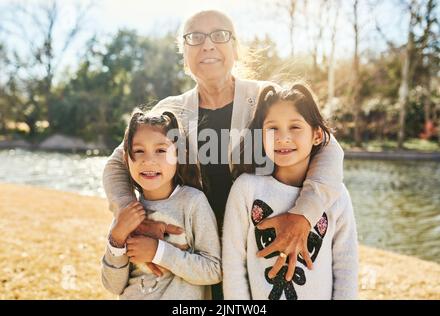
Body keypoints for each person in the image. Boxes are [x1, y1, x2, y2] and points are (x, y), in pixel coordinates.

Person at [102, 10, 344, 299]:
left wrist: (303, 215)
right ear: (184, 52)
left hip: (260, 253)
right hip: (195, 257)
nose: (207, 45)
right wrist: (133, 216)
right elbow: (117, 165)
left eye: (220, 35)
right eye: (195, 37)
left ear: (236, 47)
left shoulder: (267, 98)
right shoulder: (171, 112)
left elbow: (328, 146)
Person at [222, 84, 358, 300]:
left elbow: (346, 267)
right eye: (272, 128)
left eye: (295, 127)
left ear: (316, 135)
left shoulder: (336, 196)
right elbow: (233, 265)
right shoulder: (246, 189)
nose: (282, 137)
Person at [101, 109, 221, 299]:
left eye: (161, 150)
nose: (148, 160)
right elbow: (113, 286)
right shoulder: (129, 213)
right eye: (139, 151)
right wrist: (116, 238)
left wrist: (159, 252)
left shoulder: (192, 202)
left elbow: (214, 270)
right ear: (126, 159)